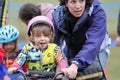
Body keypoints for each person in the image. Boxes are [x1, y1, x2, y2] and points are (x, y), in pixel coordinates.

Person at [52, 0, 111, 79]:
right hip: (71, 51)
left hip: (97, 50)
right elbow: (54, 43)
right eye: (73, 2)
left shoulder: (97, 12)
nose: (78, 6)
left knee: (89, 75)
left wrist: (76, 64)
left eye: (81, 1)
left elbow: (93, 43)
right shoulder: (58, 15)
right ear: (66, 3)